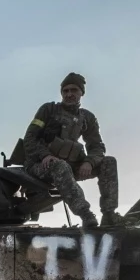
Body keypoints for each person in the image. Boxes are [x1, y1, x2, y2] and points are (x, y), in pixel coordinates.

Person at [22, 73, 121, 229]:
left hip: (70, 166)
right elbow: (30, 138)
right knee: (60, 165)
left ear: (81, 93)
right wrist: (45, 155)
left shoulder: (87, 118)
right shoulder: (48, 110)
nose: (69, 94)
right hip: (41, 166)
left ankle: (109, 214)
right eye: (65, 91)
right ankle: (86, 215)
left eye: (74, 90)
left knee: (109, 162)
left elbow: (97, 146)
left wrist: (89, 162)